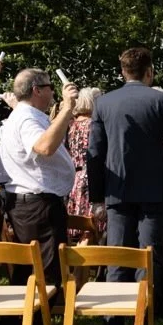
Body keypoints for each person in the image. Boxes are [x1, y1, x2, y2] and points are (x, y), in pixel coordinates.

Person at [87, 47, 163, 325]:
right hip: (155, 191)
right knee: (150, 257)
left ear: (122, 72)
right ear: (150, 71)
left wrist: (97, 196)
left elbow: (94, 153)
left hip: (117, 192)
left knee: (117, 258)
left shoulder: (103, 103)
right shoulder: (161, 100)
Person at [0, 69, 77, 289]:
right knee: (48, 273)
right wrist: (68, 108)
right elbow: (44, 146)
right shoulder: (26, 118)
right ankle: (35, 323)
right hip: (38, 205)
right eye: (50, 87)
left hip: (32, 204)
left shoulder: (23, 115)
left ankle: (19, 323)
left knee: (29, 270)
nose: (53, 92)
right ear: (37, 90)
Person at [66, 87, 103, 238]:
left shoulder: (72, 125)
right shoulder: (93, 124)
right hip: (90, 177)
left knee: (78, 222)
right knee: (92, 225)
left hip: (76, 176)